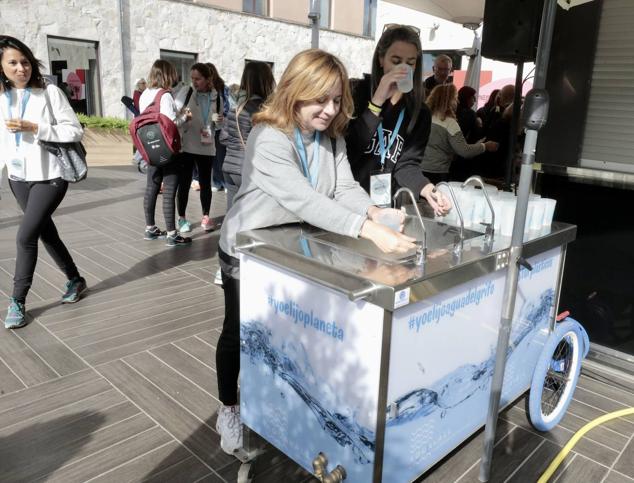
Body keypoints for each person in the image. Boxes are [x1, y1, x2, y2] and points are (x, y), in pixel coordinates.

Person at [215, 48, 420, 454]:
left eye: (335, 100)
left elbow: (342, 188)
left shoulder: (331, 139)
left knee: (285, 332)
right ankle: (229, 409)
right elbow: (303, 199)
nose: (328, 110)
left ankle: (284, 408)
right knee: (239, 330)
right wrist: (367, 229)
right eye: (319, 99)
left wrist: (375, 211)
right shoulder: (268, 136)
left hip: (291, 249)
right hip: (248, 249)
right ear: (295, 91)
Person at [0, 36, 87, 329]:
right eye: (13, 62)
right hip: (18, 179)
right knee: (45, 233)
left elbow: (74, 131)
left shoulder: (49, 92)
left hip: (50, 176)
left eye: (24, 61)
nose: (21, 68)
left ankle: (17, 301)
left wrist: (36, 127)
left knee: (25, 237)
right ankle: (75, 279)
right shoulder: (2, 96)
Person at [346, 24, 451, 215]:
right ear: (380, 59)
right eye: (396, 60)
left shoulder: (419, 112)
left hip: (385, 206)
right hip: (348, 204)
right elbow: (347, 151)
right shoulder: (355, 93)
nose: (403, 68)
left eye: (410, 62)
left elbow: (407, 164)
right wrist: (376, 102)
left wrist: (428, 189)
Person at [139, 59, 192, 247]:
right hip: (168, 150)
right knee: (169, 190)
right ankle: (171, 233)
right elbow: (170, 124)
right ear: (167, 74)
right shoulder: (165, 95)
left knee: (151, 187)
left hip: (150, 148)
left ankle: (150, 228)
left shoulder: (145, 93)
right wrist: (184, 117)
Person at [221, 61, 275, 210]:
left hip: (230, 168)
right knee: (252, 220)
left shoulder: (236, 108)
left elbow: (223, 138)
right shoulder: (266, 111)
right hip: (252, 171)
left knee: (231, 218)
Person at [421, 84, 498, 183]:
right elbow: (464, 151)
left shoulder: (424, 117)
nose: (457, 102)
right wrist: (485, 146)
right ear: (448, 101)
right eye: (455, 98)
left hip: (418, 169)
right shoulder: (449, 123)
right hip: (437, 173)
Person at [175, 63, 218, 233]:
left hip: (207, 144)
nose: (194, 82)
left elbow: (217, 122)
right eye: (192, 78)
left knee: (205, 183)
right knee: (184, 183)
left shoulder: (217, 96)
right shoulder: (186, 92)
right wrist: (184, 117)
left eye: (198, 79)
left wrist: (218, 121)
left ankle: (206, 217)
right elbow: (174, 116)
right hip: (187, 144)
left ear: (208, 79)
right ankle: (182, 218)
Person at [207, 62, 228, 193]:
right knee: (212, 156)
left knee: (221, 155)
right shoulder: (203, 89)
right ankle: (216, 181)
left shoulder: (223, 88)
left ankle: (224, 182)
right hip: (208, 127)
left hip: (220, 127)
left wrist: (224, 115)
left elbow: (229, 106)